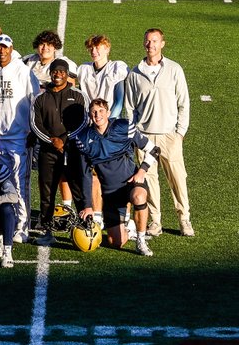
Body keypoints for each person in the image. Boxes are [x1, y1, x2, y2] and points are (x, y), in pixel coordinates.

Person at [123, 28, 192, 237]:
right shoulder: (135, 73)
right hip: (145, 137)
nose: (150, 44)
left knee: (177, 179)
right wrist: (135, 135)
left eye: (154, 41)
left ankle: (184, 219)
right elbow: (130, 108)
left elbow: (184, 103)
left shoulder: (174, 69)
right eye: (147, 41)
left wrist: (180, 132)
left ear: (162, 43)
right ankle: (155, 221)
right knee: (150, 180)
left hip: (169, 135)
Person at [69, 98, 157, 255]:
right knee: (116, 242)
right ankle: (127, 230)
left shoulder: (123, 127)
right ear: (89, 115)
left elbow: (154, 150)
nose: (98, 115)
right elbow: (85, 175)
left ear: (108, 113)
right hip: (110, 192)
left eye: (101, 111)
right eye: (94, 112)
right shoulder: (83, 139)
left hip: (130, 183)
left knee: (139, 197)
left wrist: (142, 171)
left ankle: (141, 241)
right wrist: (87, 205)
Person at [0, 34, 38, 237]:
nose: (1, 51)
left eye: (4, 47)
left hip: (20, 136)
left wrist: (33, 130)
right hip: (0, 138)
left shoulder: (24, 72)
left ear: (11, 49)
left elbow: (35, 102)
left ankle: (23, 226)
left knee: (21, 183)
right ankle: (10, 223)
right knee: (7, 184)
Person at [30, 60, 88, 243]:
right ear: (51, 73)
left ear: (67, 74)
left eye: (62, 71)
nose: (58, 74)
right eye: (55, 71)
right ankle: (47, 231)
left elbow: (84, 121)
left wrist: (64, 139)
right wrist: (51, 140)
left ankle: (85, 229)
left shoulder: (78, 95)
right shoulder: (40, 98)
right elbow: (35, 124)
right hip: (48, 152)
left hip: (72, 151)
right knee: (47, 193)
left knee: (78, 191)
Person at [77, 34, 128, 118]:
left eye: (97, 48)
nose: (93, 51)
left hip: (111, 120)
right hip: (90, 120)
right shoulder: (84, 69)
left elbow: (119, 102)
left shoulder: (116, 68)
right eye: (91, 48)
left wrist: (108, 123)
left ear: (107, 49)